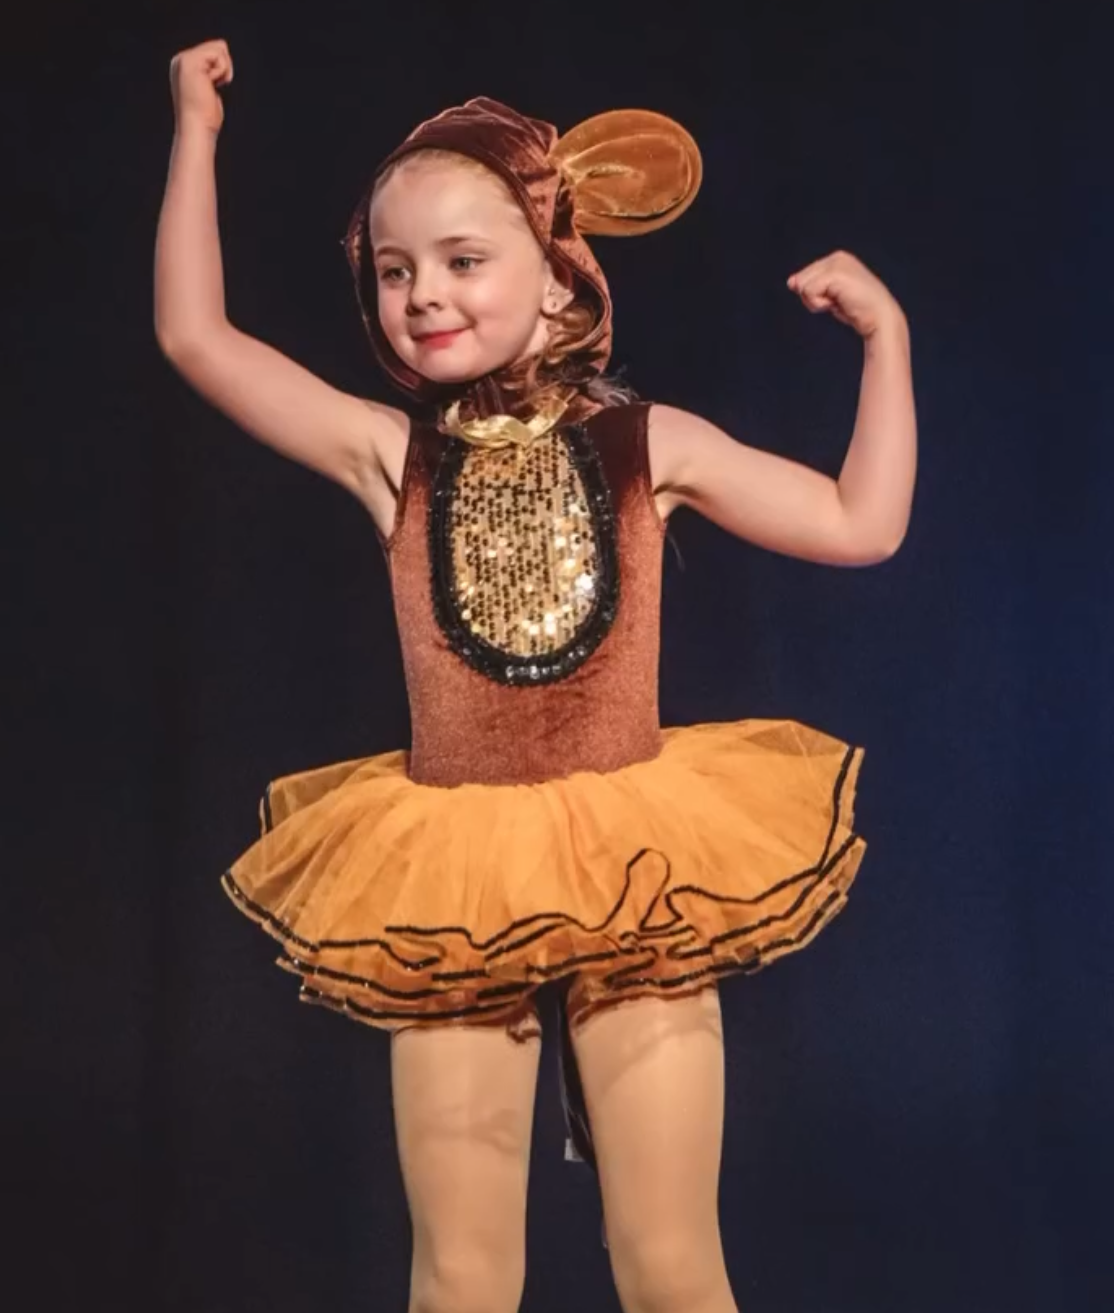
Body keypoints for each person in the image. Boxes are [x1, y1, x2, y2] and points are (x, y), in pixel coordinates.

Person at [154, 38, 916, 1313]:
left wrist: (884, 339)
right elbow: (195, 336)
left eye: (461, 260)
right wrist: (194, 130)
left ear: (560, 283)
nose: (420, 294)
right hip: (451, 866)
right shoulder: (383, 455)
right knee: (458, 1271)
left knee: (668, 1256)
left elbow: (857, 519)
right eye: (392, 271)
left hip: (638, 858)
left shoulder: (644, 444)